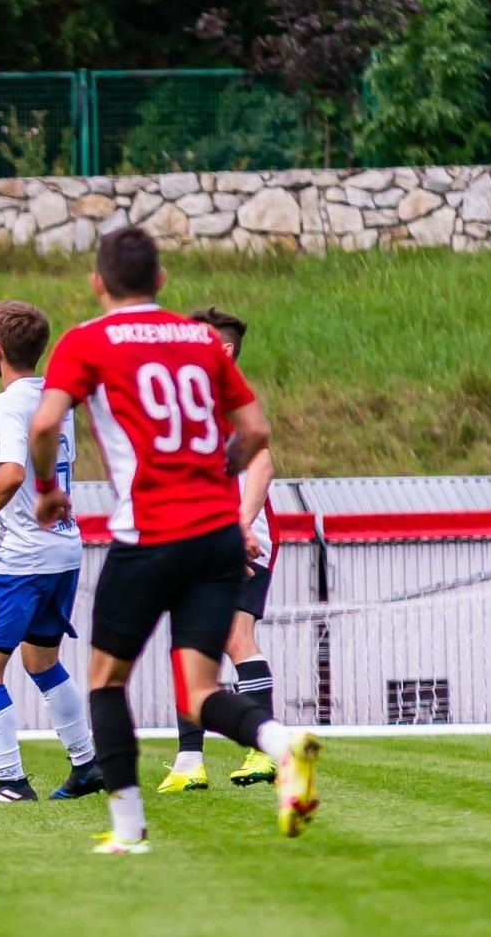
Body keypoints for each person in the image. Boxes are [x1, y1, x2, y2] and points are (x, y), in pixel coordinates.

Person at [28, 226, 321, 854]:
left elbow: (47, 419)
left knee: (106, 681)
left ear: (97, 283)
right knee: (199, 689)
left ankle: (130, 826)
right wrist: (216, 473)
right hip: (217, 538)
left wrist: (50, 490)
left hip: (150, 534)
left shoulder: (86, 340)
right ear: (161, 282)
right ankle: (280, 743)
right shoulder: (201, 339)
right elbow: (256, 431)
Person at [0, 301, 102, 803]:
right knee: (42, 661)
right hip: (64, 551)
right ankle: (87, 765)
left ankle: (11, 781)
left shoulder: (7, 405)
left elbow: (10, 474)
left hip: (24, 561)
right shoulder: (57, 399)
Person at [159, 306, 281, 793]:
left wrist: (240, 525)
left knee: (233, 638)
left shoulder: (229, 399)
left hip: (236, 539)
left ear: (223, 350)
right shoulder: (197, 400)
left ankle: (264, 750)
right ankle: (191, 760)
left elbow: (263, 465)